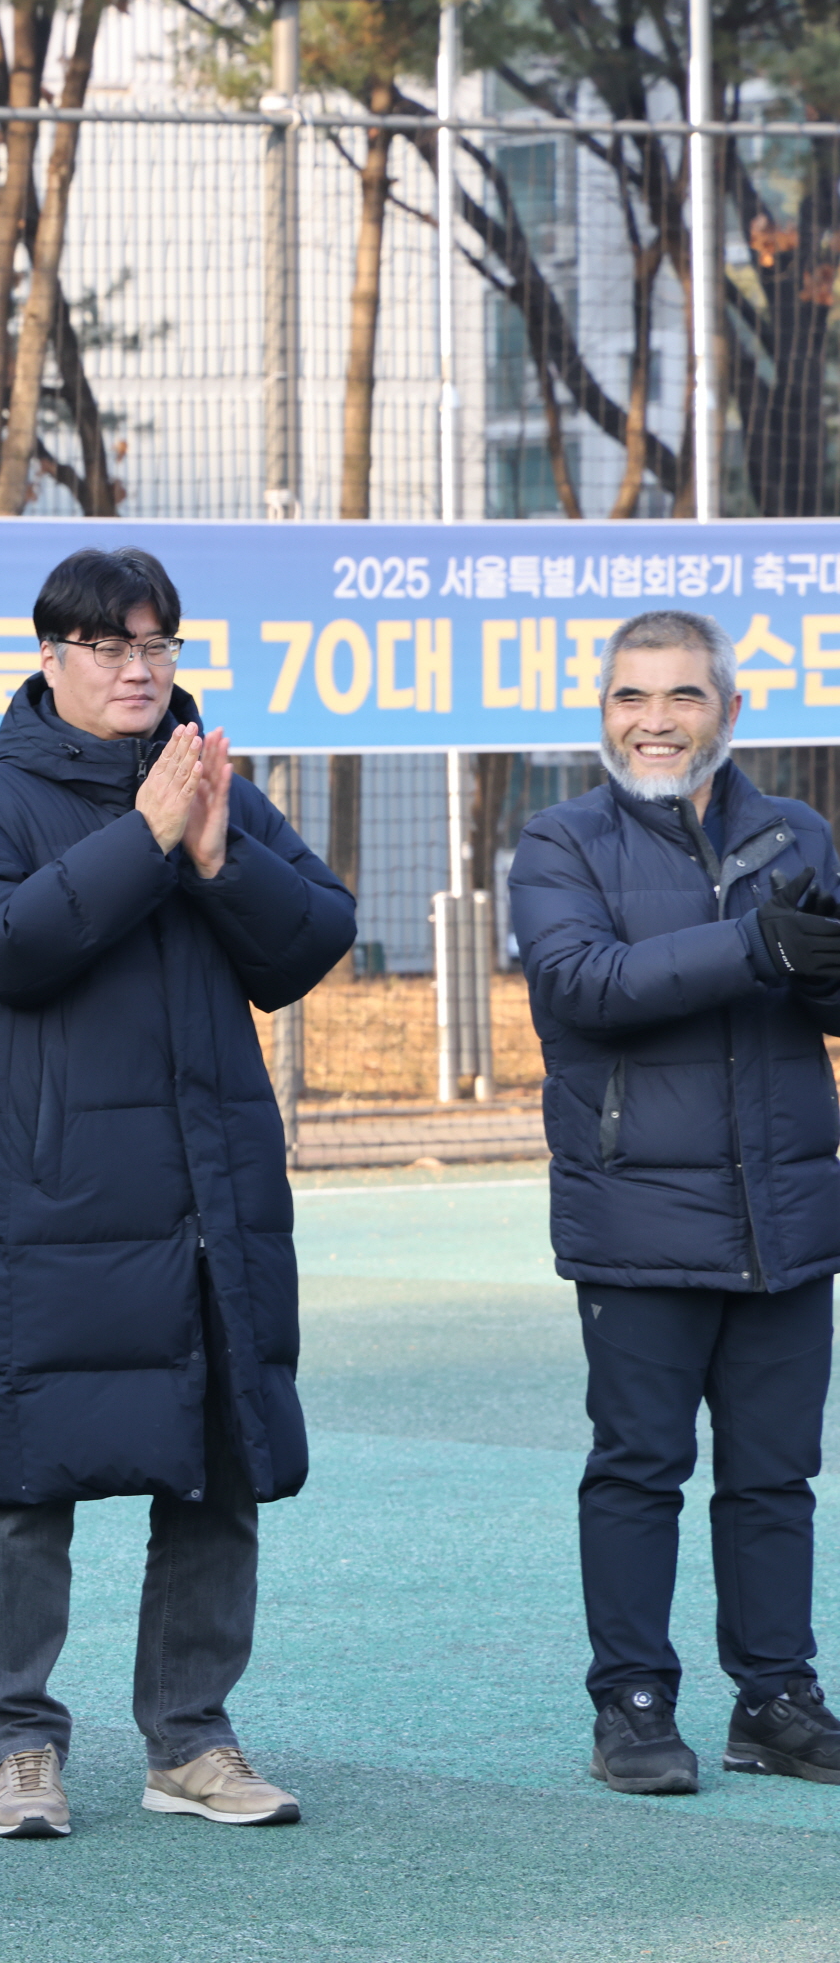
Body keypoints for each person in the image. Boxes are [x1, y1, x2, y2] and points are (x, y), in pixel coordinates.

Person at [0, 547, 355, 1841]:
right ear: (51, 656)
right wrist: (150, 839)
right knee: (27, 1483)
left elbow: (311, 942)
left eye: (158, 647)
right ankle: (19, 1746)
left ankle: (192, 1743)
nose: (138, 669)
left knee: (218, 1476)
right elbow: (7, 949)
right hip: (54, 1204)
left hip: (213, 1199)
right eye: (110, 646)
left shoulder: (216, 783)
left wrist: (221, 854)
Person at [510, 610, 840, 1797]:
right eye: (629, 696)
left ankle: (778, 1699)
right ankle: (634, 1703)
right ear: (603, 710)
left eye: (683, 695)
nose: (654, 720)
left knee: (775, 1474)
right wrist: (760, 944)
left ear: (731, 712)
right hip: (637, 1219)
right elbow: (583, 985)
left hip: (792, 1221)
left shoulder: (799, 832)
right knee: (640, 1465)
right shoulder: (560, 843)